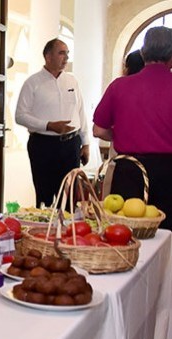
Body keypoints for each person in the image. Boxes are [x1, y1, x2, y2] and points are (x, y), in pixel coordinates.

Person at [93, 26, 172, 230]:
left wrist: (121, 134)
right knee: (167, 235)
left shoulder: (119, 86)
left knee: (126, 234)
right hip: (168, 172)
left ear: (143, 53)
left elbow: (98, 130)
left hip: (129, 171)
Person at [15, 38, 90, 208]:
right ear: (48, 56)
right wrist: (49, 125)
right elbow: (20, 115)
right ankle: (43, 232)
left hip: (71, 145)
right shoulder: (32, 83)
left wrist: (85, 143)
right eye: (61, 53)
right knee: (44, 196)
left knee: (70, 196)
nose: (66, 58)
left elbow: (80, 111)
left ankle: (69, 232)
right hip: (43, 145)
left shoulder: (72, 81)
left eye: (67, 53)